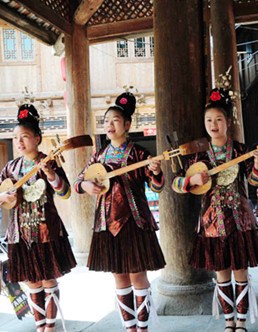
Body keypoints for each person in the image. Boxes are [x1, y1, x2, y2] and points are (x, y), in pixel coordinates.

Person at [172, 87, 258, 332]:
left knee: (241, 272)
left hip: (239, 220)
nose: (213, 125)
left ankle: (242, 321)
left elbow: (254, 181)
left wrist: (257, 163)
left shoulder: (241, 150)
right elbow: (176, 183)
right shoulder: (197, 155)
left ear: (228, 122)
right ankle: (228, 321)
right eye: (208, 120)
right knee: (221, 274)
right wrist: (190, 182)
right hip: (211, 222)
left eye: (218, 119)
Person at [75, 92, 166, 331]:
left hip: (134, 222)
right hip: (107, 224)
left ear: (127, 124)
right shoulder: (99, 156)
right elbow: (78, 182)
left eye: (115, 120)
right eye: (106, 121)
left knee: (138, 275)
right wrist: (86, 185)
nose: (109, 125)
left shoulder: (139, 154)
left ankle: (143, 327)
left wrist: (155, 171)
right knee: (119, 277)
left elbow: (157, 185)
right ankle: (130, 327)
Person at [0, 104, 76, 332]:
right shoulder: (10, 168)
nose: (19, 142)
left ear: (38, 138)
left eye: (24, 136)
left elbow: (65, 192)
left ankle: (50, 328)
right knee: (31, 282)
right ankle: (40, 326)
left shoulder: (49, 161)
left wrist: (51, 173)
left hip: (46, 231)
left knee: (48, 281)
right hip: (19, 233)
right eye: (15, 137)